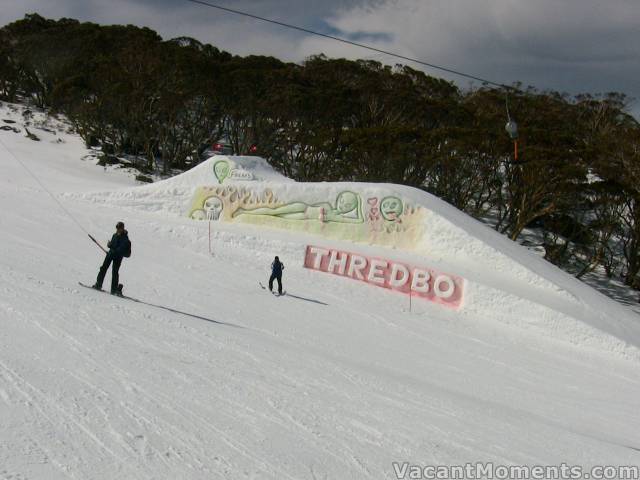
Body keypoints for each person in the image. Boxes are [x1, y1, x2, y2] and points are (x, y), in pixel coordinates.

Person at [92, 221, 131, 296]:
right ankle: (98, 284)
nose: (118, 229)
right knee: (103, 268)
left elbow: (120, 249)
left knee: (114, 272)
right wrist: (109, 245)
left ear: (123, 228)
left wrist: (111, 246)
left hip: (118, 257)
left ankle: (114, 290)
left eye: (119, 228)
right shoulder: (114, 235)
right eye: (117, 228)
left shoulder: (125, 239)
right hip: (110, 255)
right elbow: (113, 245)